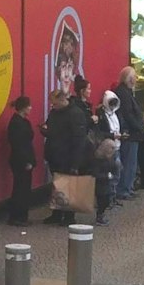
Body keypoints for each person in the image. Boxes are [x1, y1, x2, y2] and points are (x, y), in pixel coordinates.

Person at [43, 89, 89, 226]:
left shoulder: (75, 114)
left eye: (55, 103)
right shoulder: (55, 113)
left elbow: (79, 139)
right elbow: (52, 129)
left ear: (63, 100)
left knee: (70, 185)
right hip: (55, 154)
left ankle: (69, 217)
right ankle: (57, 214)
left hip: (68, 155)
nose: (53, 106)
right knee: (58, 185)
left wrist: (75, 163)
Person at [116, 66, 144, 194]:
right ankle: (125, 189)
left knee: (131, 162)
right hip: (131, 132)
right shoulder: (125, 94)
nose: (136, 79)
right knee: (129, 162)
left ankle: (128, 188)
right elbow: (128, 114)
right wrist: (139, 126)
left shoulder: (125, 92)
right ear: (130, 79)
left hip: (132, 131)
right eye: (134, 77)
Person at [5, 96, 36, 225]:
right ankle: (18, 216)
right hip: (21, 160)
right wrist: (26, 161)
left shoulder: (20, 121)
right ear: (23, 108)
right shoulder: (17, 123)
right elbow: (19, 145)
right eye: (29, 106)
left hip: (21, 158)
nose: (31, 108)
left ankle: (21, 215)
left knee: (22, 187)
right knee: (21, 188)